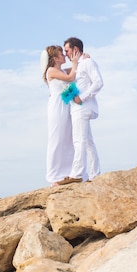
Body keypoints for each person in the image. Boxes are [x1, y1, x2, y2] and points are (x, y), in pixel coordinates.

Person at [59, 37, 103, 185]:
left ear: (75, 49)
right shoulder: (76, 66)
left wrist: (82, 98)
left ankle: (77, 174)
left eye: (67, 50)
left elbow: (98, 82)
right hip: (77, 108)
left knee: (79, 140)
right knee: (89, 142)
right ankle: (95, 175)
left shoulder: (88, 62)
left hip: (82, 107)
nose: (65, 54)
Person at [41, 45, 81, 186]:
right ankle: (53, 176)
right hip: (56, 106)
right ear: (55, 58)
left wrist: (82, 59)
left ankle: (67, 173)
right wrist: (74, 63)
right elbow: (71, 78)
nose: (64, 56)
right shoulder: (51, 71)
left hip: (66, 106)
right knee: (56, 139)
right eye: (61, 54)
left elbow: (78, 71)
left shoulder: (61, 70)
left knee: (67, 138)